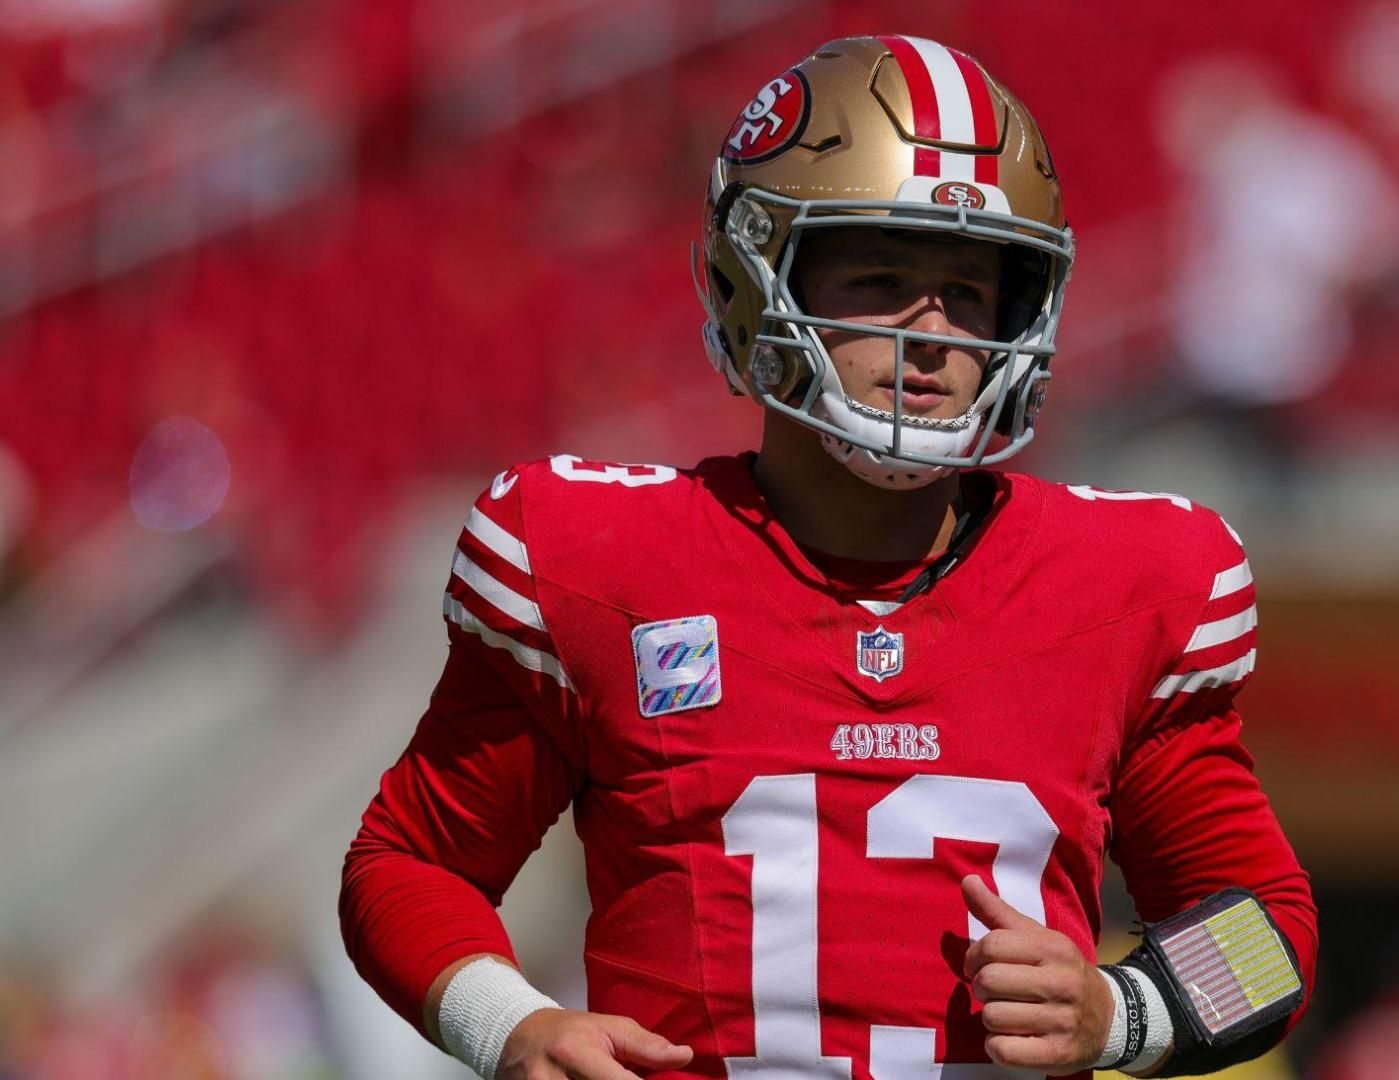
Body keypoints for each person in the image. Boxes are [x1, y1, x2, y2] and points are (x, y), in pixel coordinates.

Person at [339, 35, 1316, 1080]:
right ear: (751, 277)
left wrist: (1124, 1011)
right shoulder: (602, 563)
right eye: (884, 277)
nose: (935, 334)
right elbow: (408, 864)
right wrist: (514, 1028)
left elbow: (1269, 929)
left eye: (972, 291)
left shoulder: (1129, 585)